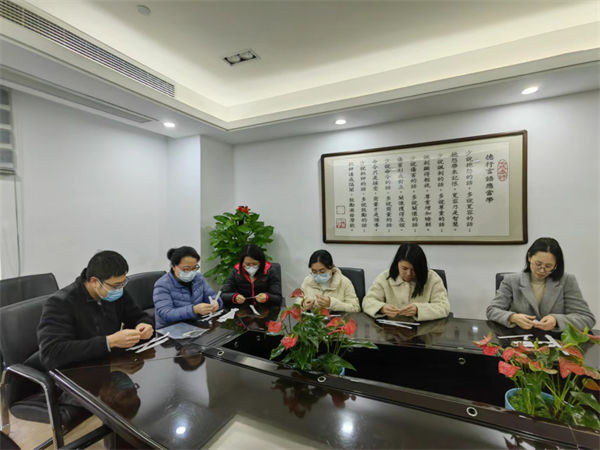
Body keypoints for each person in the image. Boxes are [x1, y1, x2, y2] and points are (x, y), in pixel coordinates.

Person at [38, 251, 154, 370]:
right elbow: (51, 353)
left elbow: (138, 316)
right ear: (94, 282)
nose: (120, 289)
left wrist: (144, 324)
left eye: (123, 283)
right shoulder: (60, 303)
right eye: (116, 285)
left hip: (110, 365)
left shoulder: (115, 292)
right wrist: (109, 342)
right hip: (77, 370)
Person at [486, 237, 595, 331]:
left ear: (556, 265)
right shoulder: (511, 280)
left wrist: (556, 320)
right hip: (518, 339)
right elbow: (492, 310)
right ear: (529, 257)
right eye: (538, 264)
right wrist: (512, 317)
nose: (542, 270)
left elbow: (587, 318)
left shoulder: (567, 280)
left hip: (556, 341)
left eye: (548, 266)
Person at [362, 243, 450, 321]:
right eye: (404, 268)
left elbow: (444, 307)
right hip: (391, 329)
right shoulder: (385, 277)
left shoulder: (432, 279)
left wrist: (419, 309)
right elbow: (367, 301)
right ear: (397, 264)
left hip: (424, 330)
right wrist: (381, 308)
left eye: (414, 270)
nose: (409, 274)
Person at [153, 246, 221, 329]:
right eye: (186, 269)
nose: (191, 272)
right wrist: (194, 310)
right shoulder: (162, 285)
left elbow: (211, 295)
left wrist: (216, 302)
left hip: (196, 325)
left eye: (194, 268)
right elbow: (166, 314)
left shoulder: (198, 278)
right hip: (171, 329)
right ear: (174, 267)